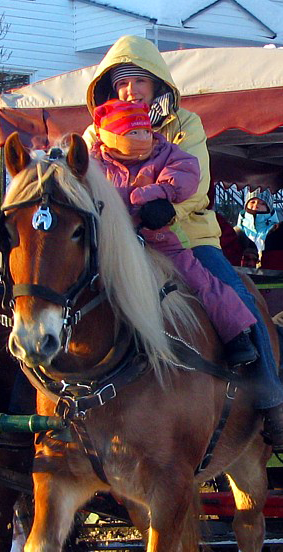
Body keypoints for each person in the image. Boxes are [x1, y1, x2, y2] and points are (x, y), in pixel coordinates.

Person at [83, 35, 283, 447]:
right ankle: (36, 404)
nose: (130, 91)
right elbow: (83, 179)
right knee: (62, 298)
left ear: (158, 84)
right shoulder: (94, 133)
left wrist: (161, 205)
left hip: (185, 236)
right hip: (117, 240)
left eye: (139, 82)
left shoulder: (185, 124)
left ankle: (270, 397)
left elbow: (196, 182)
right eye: (121, 83)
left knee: (238, 296)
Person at [89, 99, 257, 367]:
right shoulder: (95, 164)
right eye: (133, 133)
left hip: (161, 239)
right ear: (111, 138)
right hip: (112, 243)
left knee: (200, 279)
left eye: (145, 131)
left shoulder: (164, 151)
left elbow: (187, 171)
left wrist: (160, 195)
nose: (143, 137)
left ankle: (237, 333)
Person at [236, 190, 280, 256]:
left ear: (269, 207)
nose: (256, 205)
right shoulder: (238, 231)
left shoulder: (276, 232)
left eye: (262, 203)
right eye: (252, 202)